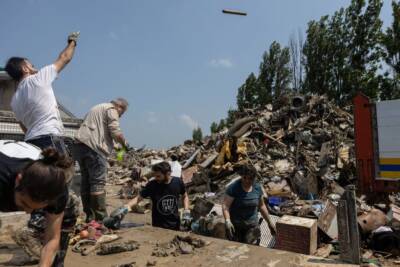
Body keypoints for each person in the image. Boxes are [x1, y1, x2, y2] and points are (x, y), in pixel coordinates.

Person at [0, 140, 73, 267]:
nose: (27, 212)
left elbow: (52, 238)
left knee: (70, 210)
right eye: (24, 204)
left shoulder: (57, 191)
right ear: (18, 180)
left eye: (36, 208)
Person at [5, 32, 79, 152]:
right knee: (61, 170)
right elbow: (65, 58)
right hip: (49, 139)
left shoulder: (15, 100)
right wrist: (73, 41)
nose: (33, 65)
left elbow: (23, 126)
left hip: (30, 142)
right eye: (29, 63)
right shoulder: (39, 78)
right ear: (25, 68)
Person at [73, 98, 129, 222]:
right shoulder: (111, 109)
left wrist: (116, 146)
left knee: (86, 182)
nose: (120, 116)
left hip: (80, 147)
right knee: (98, 183)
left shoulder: (97, 108)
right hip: (94, 149)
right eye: (122, 113)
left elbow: (100, 132)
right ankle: (101, 218)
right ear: (120, 107)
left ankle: (89, 216)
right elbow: (115, 132)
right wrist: (124, 144)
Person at [111, 161, 191, 231]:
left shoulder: (178, 182)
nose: (156, 178)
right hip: (158, 226)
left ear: (168, 174)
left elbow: (185, 196)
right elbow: (138, 198)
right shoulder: (152, 185)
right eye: (155, 176)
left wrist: (186, 211)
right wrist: (126, 207)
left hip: (175, 225)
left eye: (159, 176)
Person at [222, 164, 276, 245]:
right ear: (241, 176)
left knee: (252, 250)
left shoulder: (257, 188)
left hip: (252, 226)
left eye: (250, 178)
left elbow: (261, 206)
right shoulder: (234, 188)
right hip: (236, 227)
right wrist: (227, 221)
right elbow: (226, 205)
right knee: (235, 250)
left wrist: (269, 222)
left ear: (254, 178)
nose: (247, 181)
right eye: (245, 178)